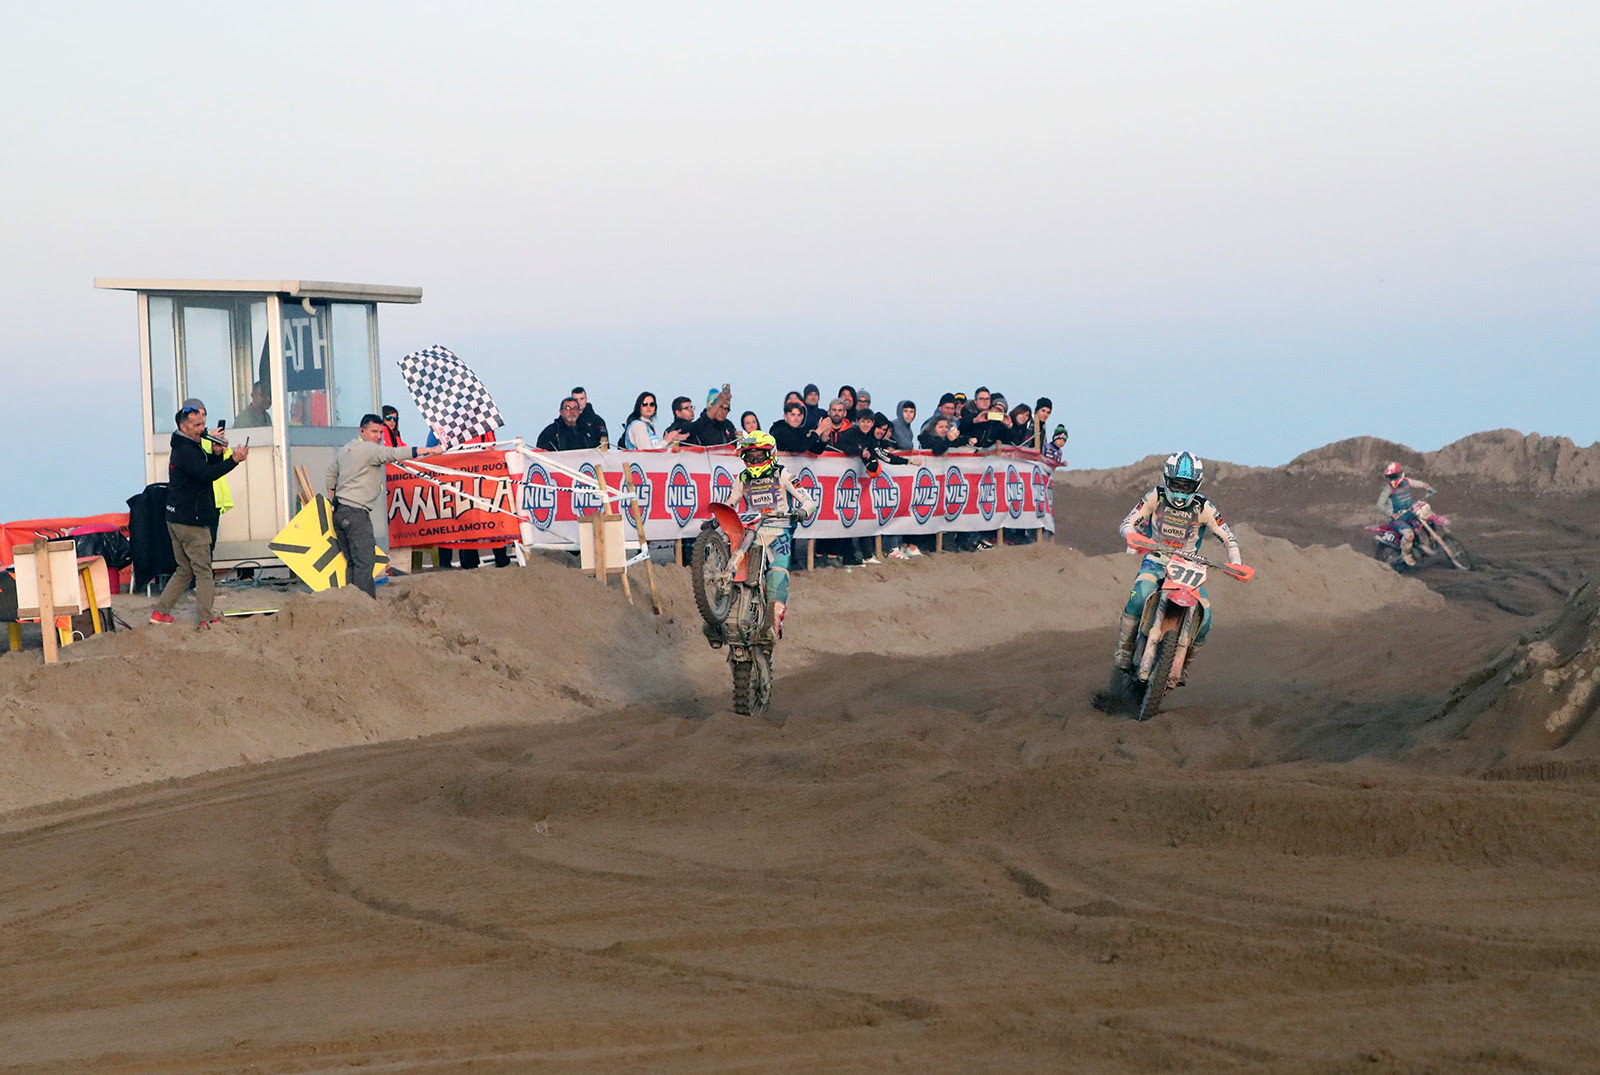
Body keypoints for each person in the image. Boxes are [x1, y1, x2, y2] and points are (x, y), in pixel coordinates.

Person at [1113, 452, 1243, 684]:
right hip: (1156, 559)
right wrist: (1132, 536)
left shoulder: (1204, 507)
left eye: (1187, 486)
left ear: (1196, 484)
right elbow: (1127, 523)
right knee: (1139, 596)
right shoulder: (1156, 496)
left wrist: (1235, 562)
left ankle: (1183, 663)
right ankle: (1125, 650)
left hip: (1188, 566)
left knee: (1206, 620)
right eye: (1177, 485)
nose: (1181, 491)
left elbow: (1229, 538)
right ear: (1167, 479)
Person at [148, 406, 249, 627]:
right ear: (183, 427)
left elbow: (202, 473)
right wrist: (234, 460)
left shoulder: (185, 446)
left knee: (184, 569)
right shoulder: (186, 450)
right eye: (196, 425)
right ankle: (206, 618)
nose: (202, 429)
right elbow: (205, 475)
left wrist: (215, 454)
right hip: (191, 521)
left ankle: (160, 613)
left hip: (175, 518)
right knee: (203, 571)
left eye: (203, 424)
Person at [327, 415, 443, 597]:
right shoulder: (369, 450)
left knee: (352, 562)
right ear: (362, 431)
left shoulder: (347, 448)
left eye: (381, 432)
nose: (378, 436)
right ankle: (366, 605)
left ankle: (350, 602)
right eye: (374, 431)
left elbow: (331, 473)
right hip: (356, 513)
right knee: (365, 562)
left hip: (341, 511)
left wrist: (334, 498)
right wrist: (428, 449)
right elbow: (393, 454)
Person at [720, 431, 817, 642]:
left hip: (779, 528)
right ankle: (720, 610)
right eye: (749, 457)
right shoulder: (743, 478)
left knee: (776, 575)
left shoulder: (783, 474)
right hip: (752, 529)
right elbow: (730, 503)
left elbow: (809, 500)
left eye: (759, 456)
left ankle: (773, 622)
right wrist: (718, 517)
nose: (754, 461)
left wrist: (802, 511)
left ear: (770, 454)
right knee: (733, 559)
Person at [1377, 462, 1438, 566]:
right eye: (1390, 477)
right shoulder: (1388, 488)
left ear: (1400, 474)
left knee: (1428, 517)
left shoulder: (1406, 481)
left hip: (1409, 512)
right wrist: (1391, 514)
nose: (1392, 479)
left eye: (1394, 476)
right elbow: (1379, 504)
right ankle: (1406, 555)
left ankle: (1429, 542)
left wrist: (1426, 487)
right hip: (1397, 519)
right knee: (1409, 534)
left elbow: (1418, 483)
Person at [621, 391, 686, 449]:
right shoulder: (638, 425)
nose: (648, 407)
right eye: (644, 404)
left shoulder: (650, 426)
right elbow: (647, 452)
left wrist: (673, 441)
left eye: (652, 404)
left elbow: (659, 450)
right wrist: (666, 440)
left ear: (655, 409)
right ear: (639, 407)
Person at [536, 397, 602, 451]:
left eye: (575, 408)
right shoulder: (550, 432)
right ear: (561, 411)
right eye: (567, 408)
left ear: (579, 412)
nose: (571, 411)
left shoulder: (587, 432)